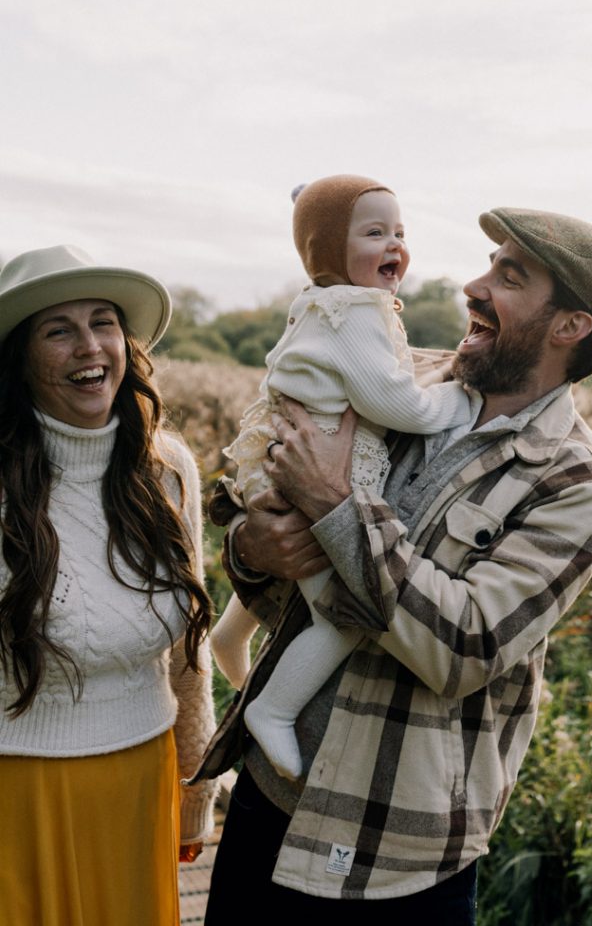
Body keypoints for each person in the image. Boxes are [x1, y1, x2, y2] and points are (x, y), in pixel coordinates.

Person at [194, 206, 592, 924]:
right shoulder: (397, 384)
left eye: (509, 276)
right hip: (272, 798)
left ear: (568, 326)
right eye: (488, 263)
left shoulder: (576, 482)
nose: (473, 285)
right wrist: (250, 549)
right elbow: (261, 506)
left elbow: (464, 646)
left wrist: (338, 505)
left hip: (393, 850)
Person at [210, 174, 472, 781]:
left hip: (282, 459)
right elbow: (396, 403)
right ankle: (272, 709)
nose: (395, 245)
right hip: (321, 465)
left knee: (295, 566)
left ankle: (229, 635)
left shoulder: (325, 304)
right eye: (374, 232)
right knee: (339, 613)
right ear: (327, 251)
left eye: (401, 232)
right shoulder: (353, 314)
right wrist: (458, 403)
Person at [0, 245, 217, 926]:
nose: (90, 347)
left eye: (103, 323)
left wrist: (197, 787)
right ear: (19, 359)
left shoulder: (168, 469)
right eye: (57, 329)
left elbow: (190, 648)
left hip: (141, 777)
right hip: (17, 786)